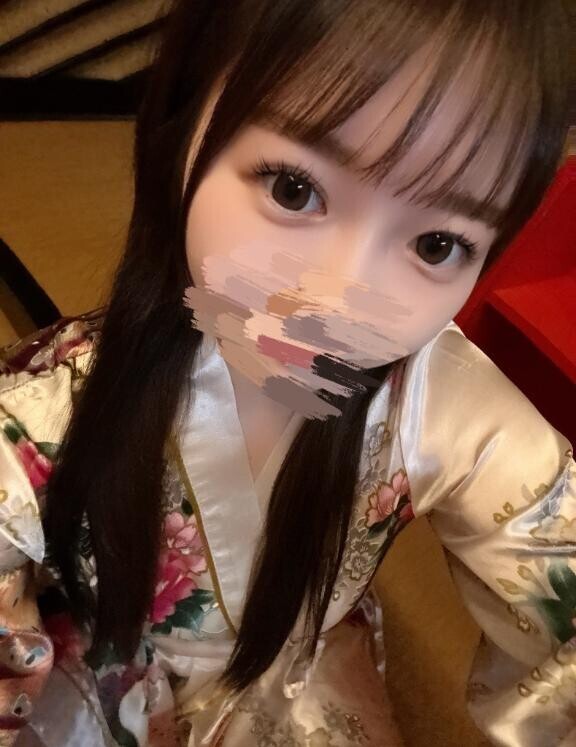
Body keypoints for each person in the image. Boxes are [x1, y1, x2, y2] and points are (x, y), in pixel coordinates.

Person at [0, 1, 573, 744]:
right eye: (293, 189)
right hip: (99, 676)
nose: (338, 299)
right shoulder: (51, 405)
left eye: (436, 244)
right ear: (183, 125)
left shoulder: (443, 405)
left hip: (292, 673)